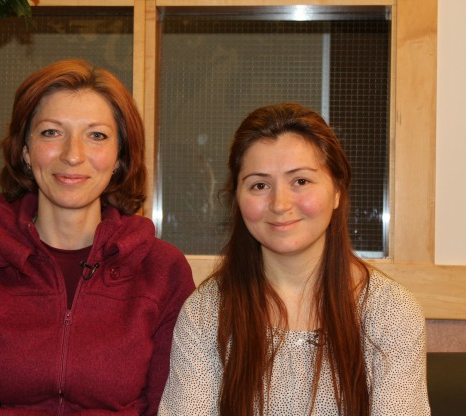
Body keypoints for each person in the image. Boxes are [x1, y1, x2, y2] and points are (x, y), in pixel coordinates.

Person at [0, 59, 195, 415]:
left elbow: (171, 407)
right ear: (25, 151)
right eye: (51, 133)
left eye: (97, 135)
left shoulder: (162, 270)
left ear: (120, 156)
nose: (72, 155)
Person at [158, 103, 430, 415]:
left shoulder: (391, 312)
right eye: (259, 185)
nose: (280, 203)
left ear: (337, 190)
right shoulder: (207, 313)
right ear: (237, 198)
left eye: (300, 181)